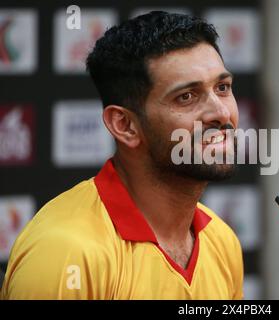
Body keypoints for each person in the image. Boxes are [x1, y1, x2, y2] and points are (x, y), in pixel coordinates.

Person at [1, 11, 243, 299]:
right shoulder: (65, 252)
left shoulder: (222, 240)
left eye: (222, 88)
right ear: (125, 125)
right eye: (186, 97)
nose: (221, 113)